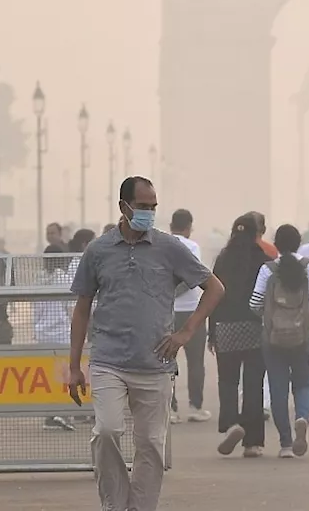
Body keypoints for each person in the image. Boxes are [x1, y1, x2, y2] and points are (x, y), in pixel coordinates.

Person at [68, 176, 225, 511]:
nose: (149, 213)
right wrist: (73, 367)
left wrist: (185, 333)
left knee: (151, 445)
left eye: (153, 207)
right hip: (109, 360)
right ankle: (115, 503)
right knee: (107, 431)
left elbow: (215, 288)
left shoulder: (169, 248)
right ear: (124, 207)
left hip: (155, 362)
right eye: (143, 206)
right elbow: (82, 309)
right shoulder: (98, 251)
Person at [250, 224, 309, 458]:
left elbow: (255, 304)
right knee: (303, 384)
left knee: (278, 388)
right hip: (305, 336)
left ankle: (286, 444)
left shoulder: (268, 269)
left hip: (273, 338)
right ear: (299, 241)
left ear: (276, 244)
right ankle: (302, 417)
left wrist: (271, 317)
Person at [210, 214, 272, 457]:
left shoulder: (222, 259)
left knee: (227, 381)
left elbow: (213, 296)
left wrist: (211, 331)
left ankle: (231, 424)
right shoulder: (263, 260)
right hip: (255, 327)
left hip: (225, 327)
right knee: (253, 383)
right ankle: (253, 443)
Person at [34, 229, 89, 431]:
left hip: (42, 334)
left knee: (49, 377)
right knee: (65, 376)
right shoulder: (63, 278)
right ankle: (61, 413)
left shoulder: (38, 279)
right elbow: (70, 308)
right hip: (61, 334)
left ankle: (50, 415)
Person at [169, 208, 212, 423]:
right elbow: (193, 277)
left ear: (171, 225)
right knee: (195, 362)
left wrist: (167, 295)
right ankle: (196, 407)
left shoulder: (164, 245)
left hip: (168, 312)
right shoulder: (192, 246)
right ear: (188, 227)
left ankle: (171, 409)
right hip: (191, 311)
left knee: (167, 360)